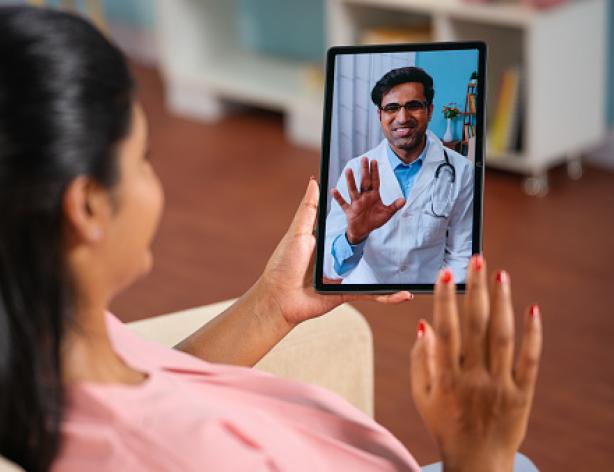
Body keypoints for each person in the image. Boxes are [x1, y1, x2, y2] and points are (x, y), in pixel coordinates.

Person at [0, 7, 542, 472]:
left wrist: (272, 305)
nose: (154, 182)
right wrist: (478, 455)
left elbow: (156, 382)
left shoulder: (53, 337)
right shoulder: (174, 450)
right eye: (143, 160)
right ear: (87, 204)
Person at [324, 67, 474, 284]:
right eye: (392, 108)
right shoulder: (356, 171)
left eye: (414, 105)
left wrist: (440, 298)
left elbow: (461, 254)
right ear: (380, 115)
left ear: (430, 111)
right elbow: (330, 267)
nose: (402, 118)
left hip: (427, 295)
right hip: (366, 296)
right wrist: (353, 237)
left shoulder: (462, 171)